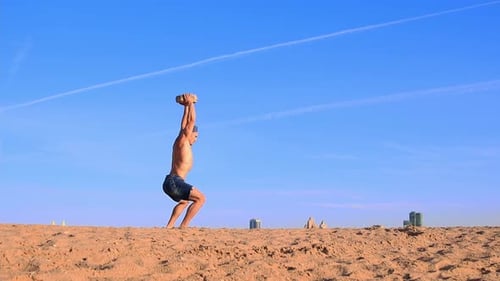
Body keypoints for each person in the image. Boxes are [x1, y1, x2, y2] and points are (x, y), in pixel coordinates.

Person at [162, 93, 206, 228]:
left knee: (184, 201)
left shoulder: (181, 140)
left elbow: (184, 125)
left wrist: (186, 107)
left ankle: (169, 226)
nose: (196, 139)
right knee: (201, 199)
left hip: (170, 183)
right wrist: (191, 103)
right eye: (196, 136)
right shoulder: (183, 140)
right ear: (190, 133)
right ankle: (184, 226)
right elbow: (191, 122)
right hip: (174, 182)